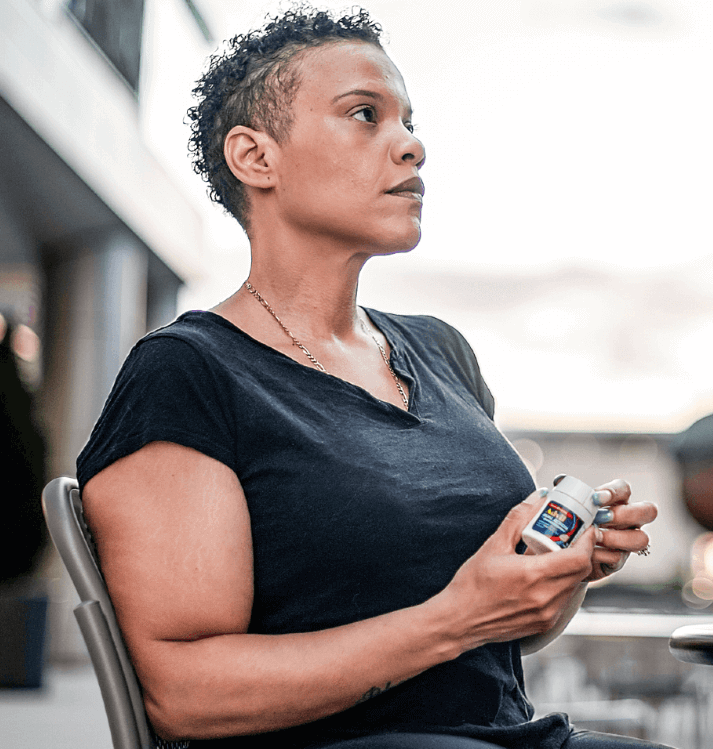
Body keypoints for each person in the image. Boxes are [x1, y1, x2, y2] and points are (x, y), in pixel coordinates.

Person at [76, 6, 661, 748]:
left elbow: (496, 640)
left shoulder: (443, 353)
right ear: (256, 157)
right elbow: (184, 695)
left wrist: (558, 574)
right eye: (365, 115)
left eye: (409, 121)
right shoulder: (190, 372)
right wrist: (456, 618)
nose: (412, 145)